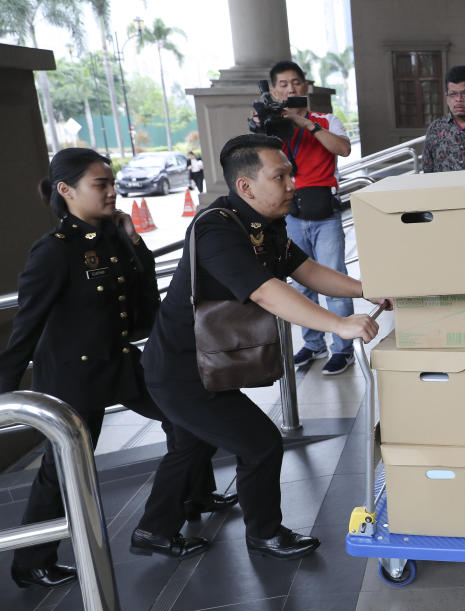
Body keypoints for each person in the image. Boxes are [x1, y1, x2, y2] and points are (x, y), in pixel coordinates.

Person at [131, 134, 387, 561]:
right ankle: (265, 534)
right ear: (246, 185)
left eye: (290, 173)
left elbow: (306, 269)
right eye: (280, 176)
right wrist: (338, 324)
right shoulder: (217, 228)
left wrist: (372, 290)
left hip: (205, 362)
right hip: (181, 369)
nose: (292, 183)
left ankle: (152, 530)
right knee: (260, 443)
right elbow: (267, 292)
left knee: (191, 445)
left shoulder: (265, 224)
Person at [0, 148, 234, 589]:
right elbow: (26, 325)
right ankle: (30, 563)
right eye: (100, 185)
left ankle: (186, 502)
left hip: (122, 362)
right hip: (74, 374)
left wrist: (136, 242)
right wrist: (6, 387)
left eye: (112, 183)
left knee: (192, 422)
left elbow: (144, 307)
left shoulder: (112, 238)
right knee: (63, 468)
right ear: (66, 191)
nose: (112, 192)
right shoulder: (53, 252)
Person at [267, 61, 356, 375]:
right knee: (302, 286)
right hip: (290, 218)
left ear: (305, 87)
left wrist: (306, 124)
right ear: (273, 90)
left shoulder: (326, 119)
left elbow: (343, 149)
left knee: (334, 278)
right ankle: (313, 343)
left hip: (324, 215)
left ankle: (343, 348)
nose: (290, 88)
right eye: (283, 84)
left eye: (296, 82)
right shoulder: (270, 127)